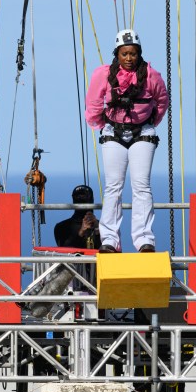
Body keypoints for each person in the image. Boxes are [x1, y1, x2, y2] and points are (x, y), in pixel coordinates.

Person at [85, 29, 169, 253]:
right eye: (124, 54)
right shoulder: (103, 74)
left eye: (133, 54)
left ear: (139, 53)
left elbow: (162, 100)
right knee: (114, 186)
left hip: (143, 132)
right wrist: (99, 124)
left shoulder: (152, 76)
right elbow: (93, 103)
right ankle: (109, 240)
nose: (129, 59)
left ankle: (144, 240)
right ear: (117, 54)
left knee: (141, 185)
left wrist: (151, 121)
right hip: (113, 131)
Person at [53, 185, 101, 250]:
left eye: (84, 196)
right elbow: (64, 250)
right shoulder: (62, 227)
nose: (80, 198)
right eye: (78, 196)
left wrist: (97, 229)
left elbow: (108, 251)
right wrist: (81, 232)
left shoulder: (102, 226)